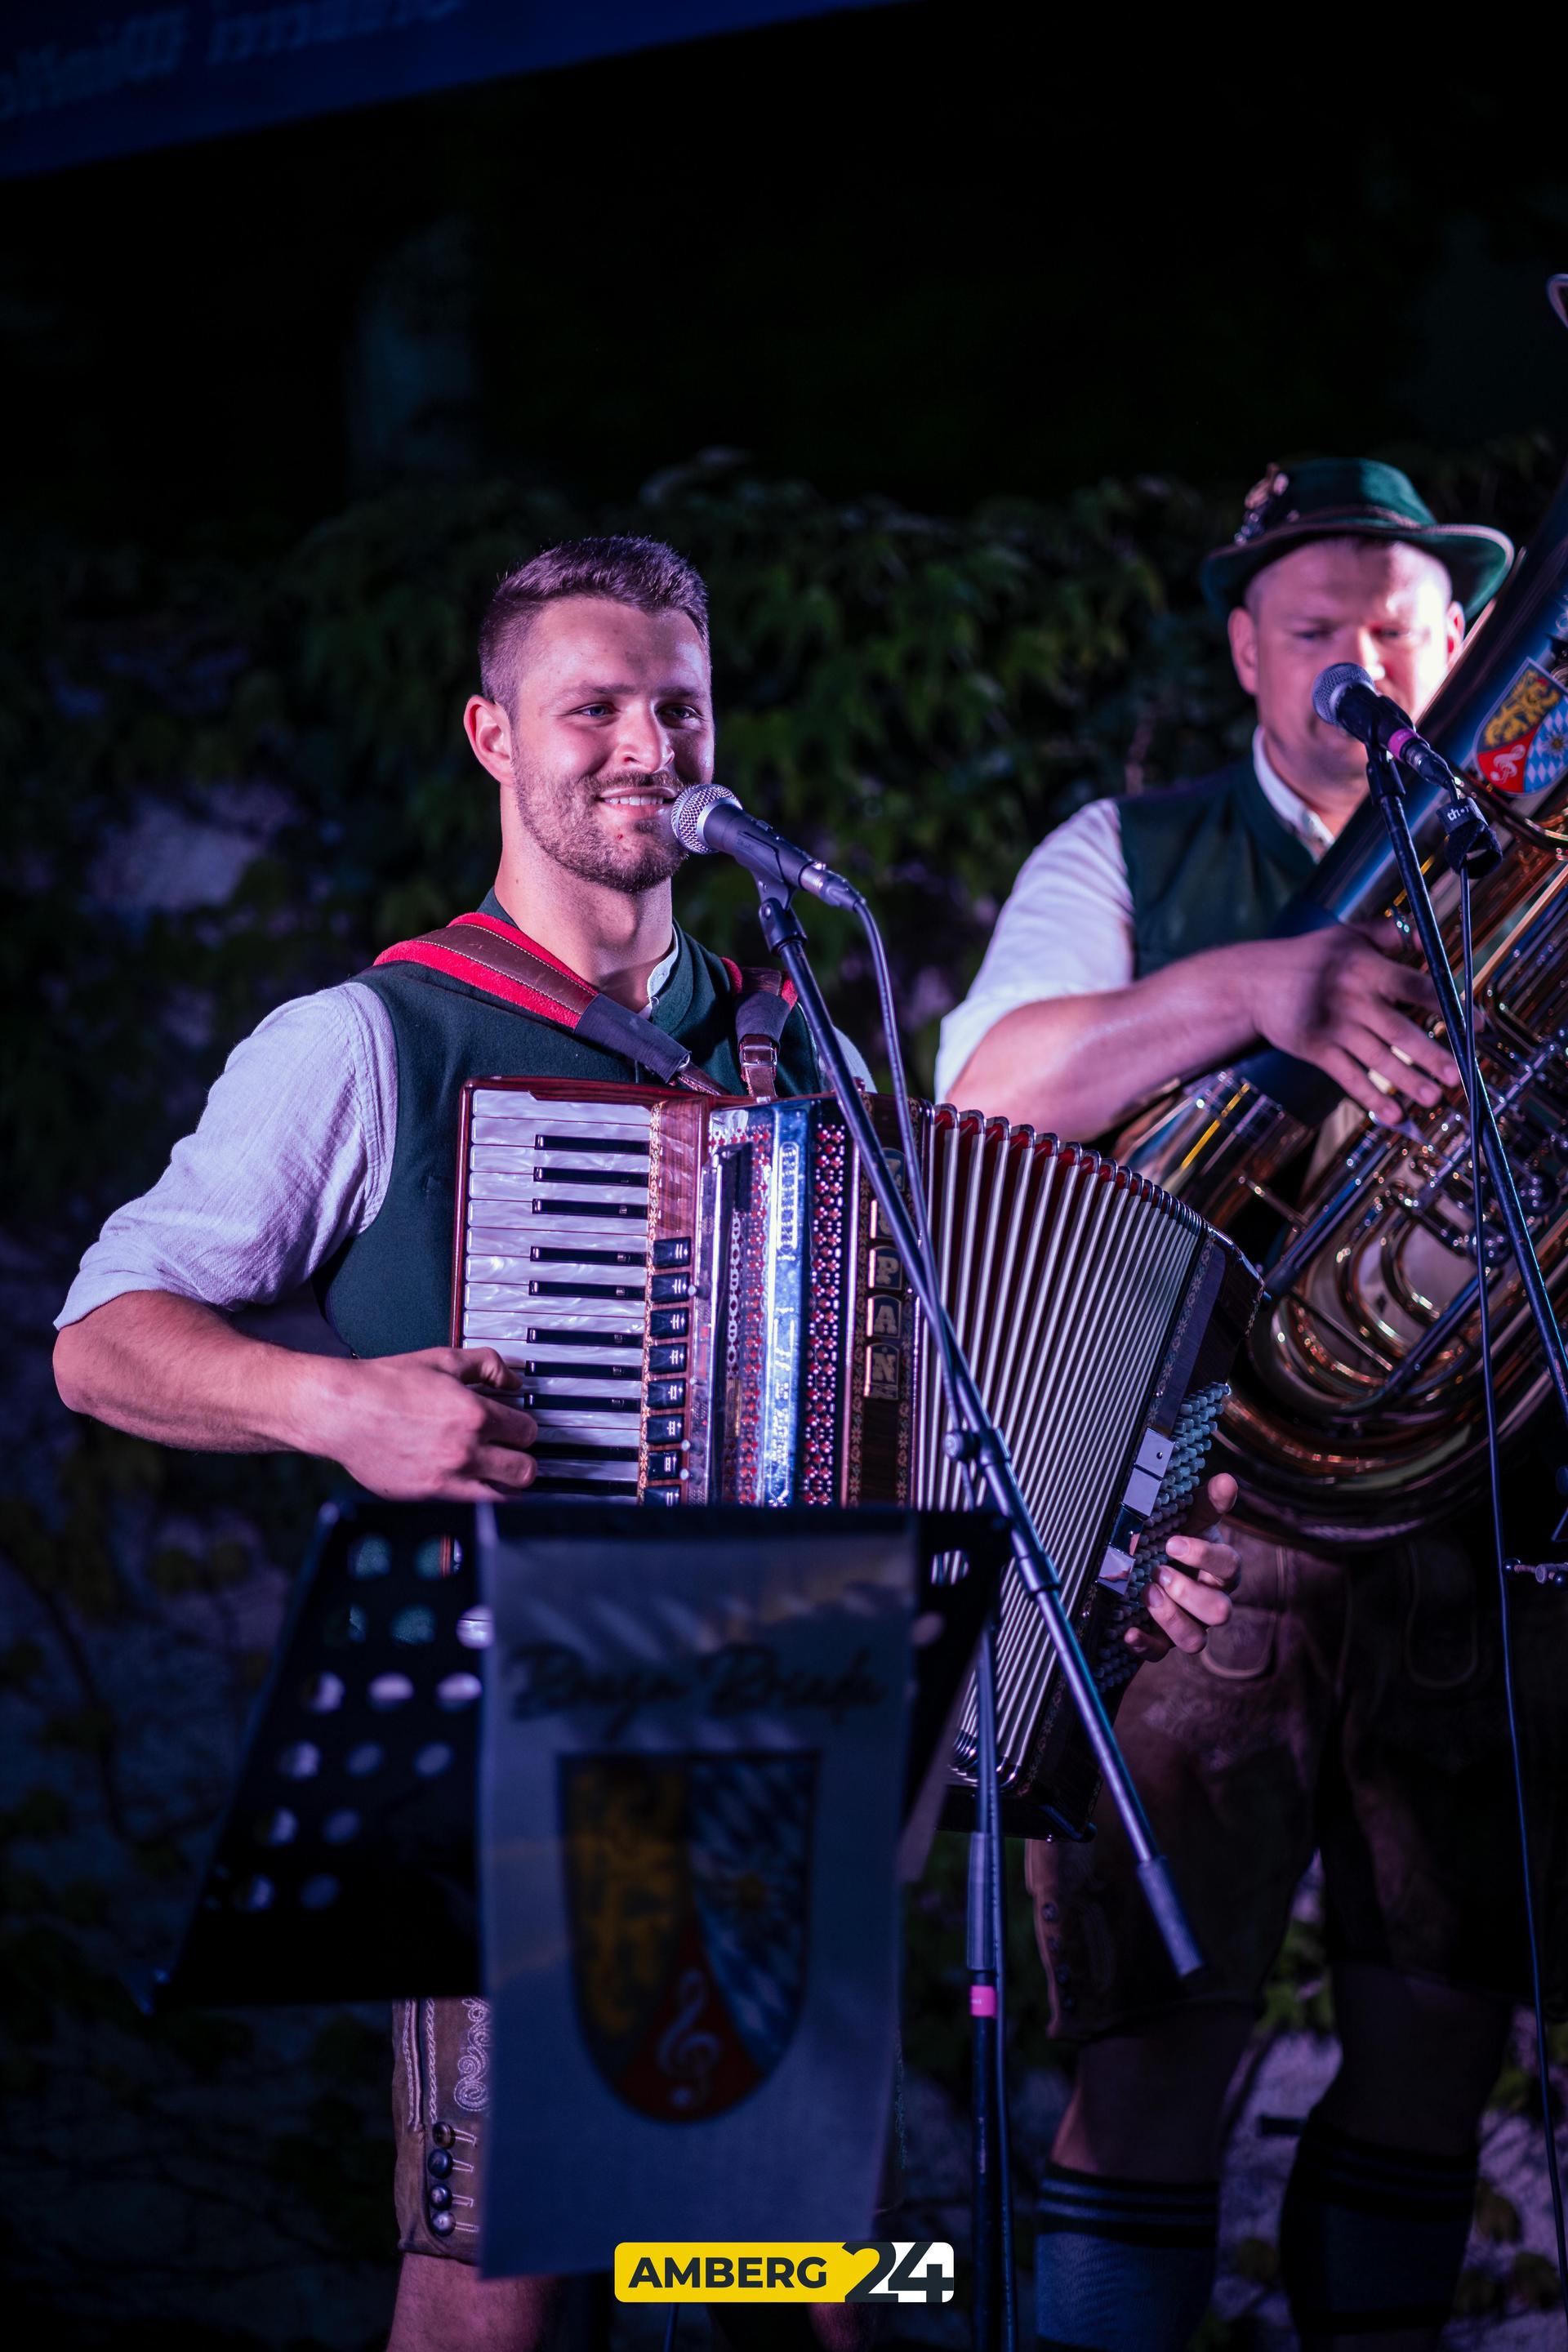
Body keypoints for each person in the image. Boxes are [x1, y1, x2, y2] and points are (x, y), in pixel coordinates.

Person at [53, 532, 1239, 2352]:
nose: (642, 743)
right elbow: (100, 1342)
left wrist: (1112, 1542)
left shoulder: (799, 1051)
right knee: (505, 2287)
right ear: (492, 739)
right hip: (512, 1741)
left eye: (674, 707)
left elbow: (943, 1400)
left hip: (783, 1744)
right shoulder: (374, 1036)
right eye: (588, 706)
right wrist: (337, 1403)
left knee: (797, 2289)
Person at [936, 458, 1544, 2352]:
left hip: (1475, 1545)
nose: (1360, 665)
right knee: (1149, 2072)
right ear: (1241, 653)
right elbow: (986, 1097)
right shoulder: (1130, 856)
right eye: (1316, 636)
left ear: (1463, 648)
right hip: (1201, 1551)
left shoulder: (1529, 843)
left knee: (1438, 2058)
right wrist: (1252, 984)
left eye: (1398, 633)